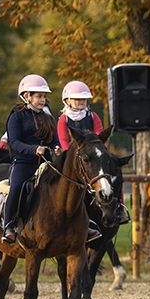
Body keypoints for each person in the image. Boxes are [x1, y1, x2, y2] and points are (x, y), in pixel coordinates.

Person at [57, 80, 130, 226]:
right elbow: (64, 140)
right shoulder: (63, 119)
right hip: (73, 157)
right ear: (67, 101)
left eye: (83, 99)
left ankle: (119, 206)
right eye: (77, 99)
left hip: (93, 154)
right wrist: (68, 153)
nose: (81, 102)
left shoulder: (92, 116)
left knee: (115, 171)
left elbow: (99, 135)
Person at [2, 74, 62, 244]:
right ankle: (9, 226)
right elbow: (14, 142)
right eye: (39, 96)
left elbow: (54, 138)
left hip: (47, 163)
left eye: (44, 96)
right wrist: (34, 149)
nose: (43, 100)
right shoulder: (16, 116)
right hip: (23, 162)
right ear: (27, 96)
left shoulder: (48, 116)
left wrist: (56, 146)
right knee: (17, 188)